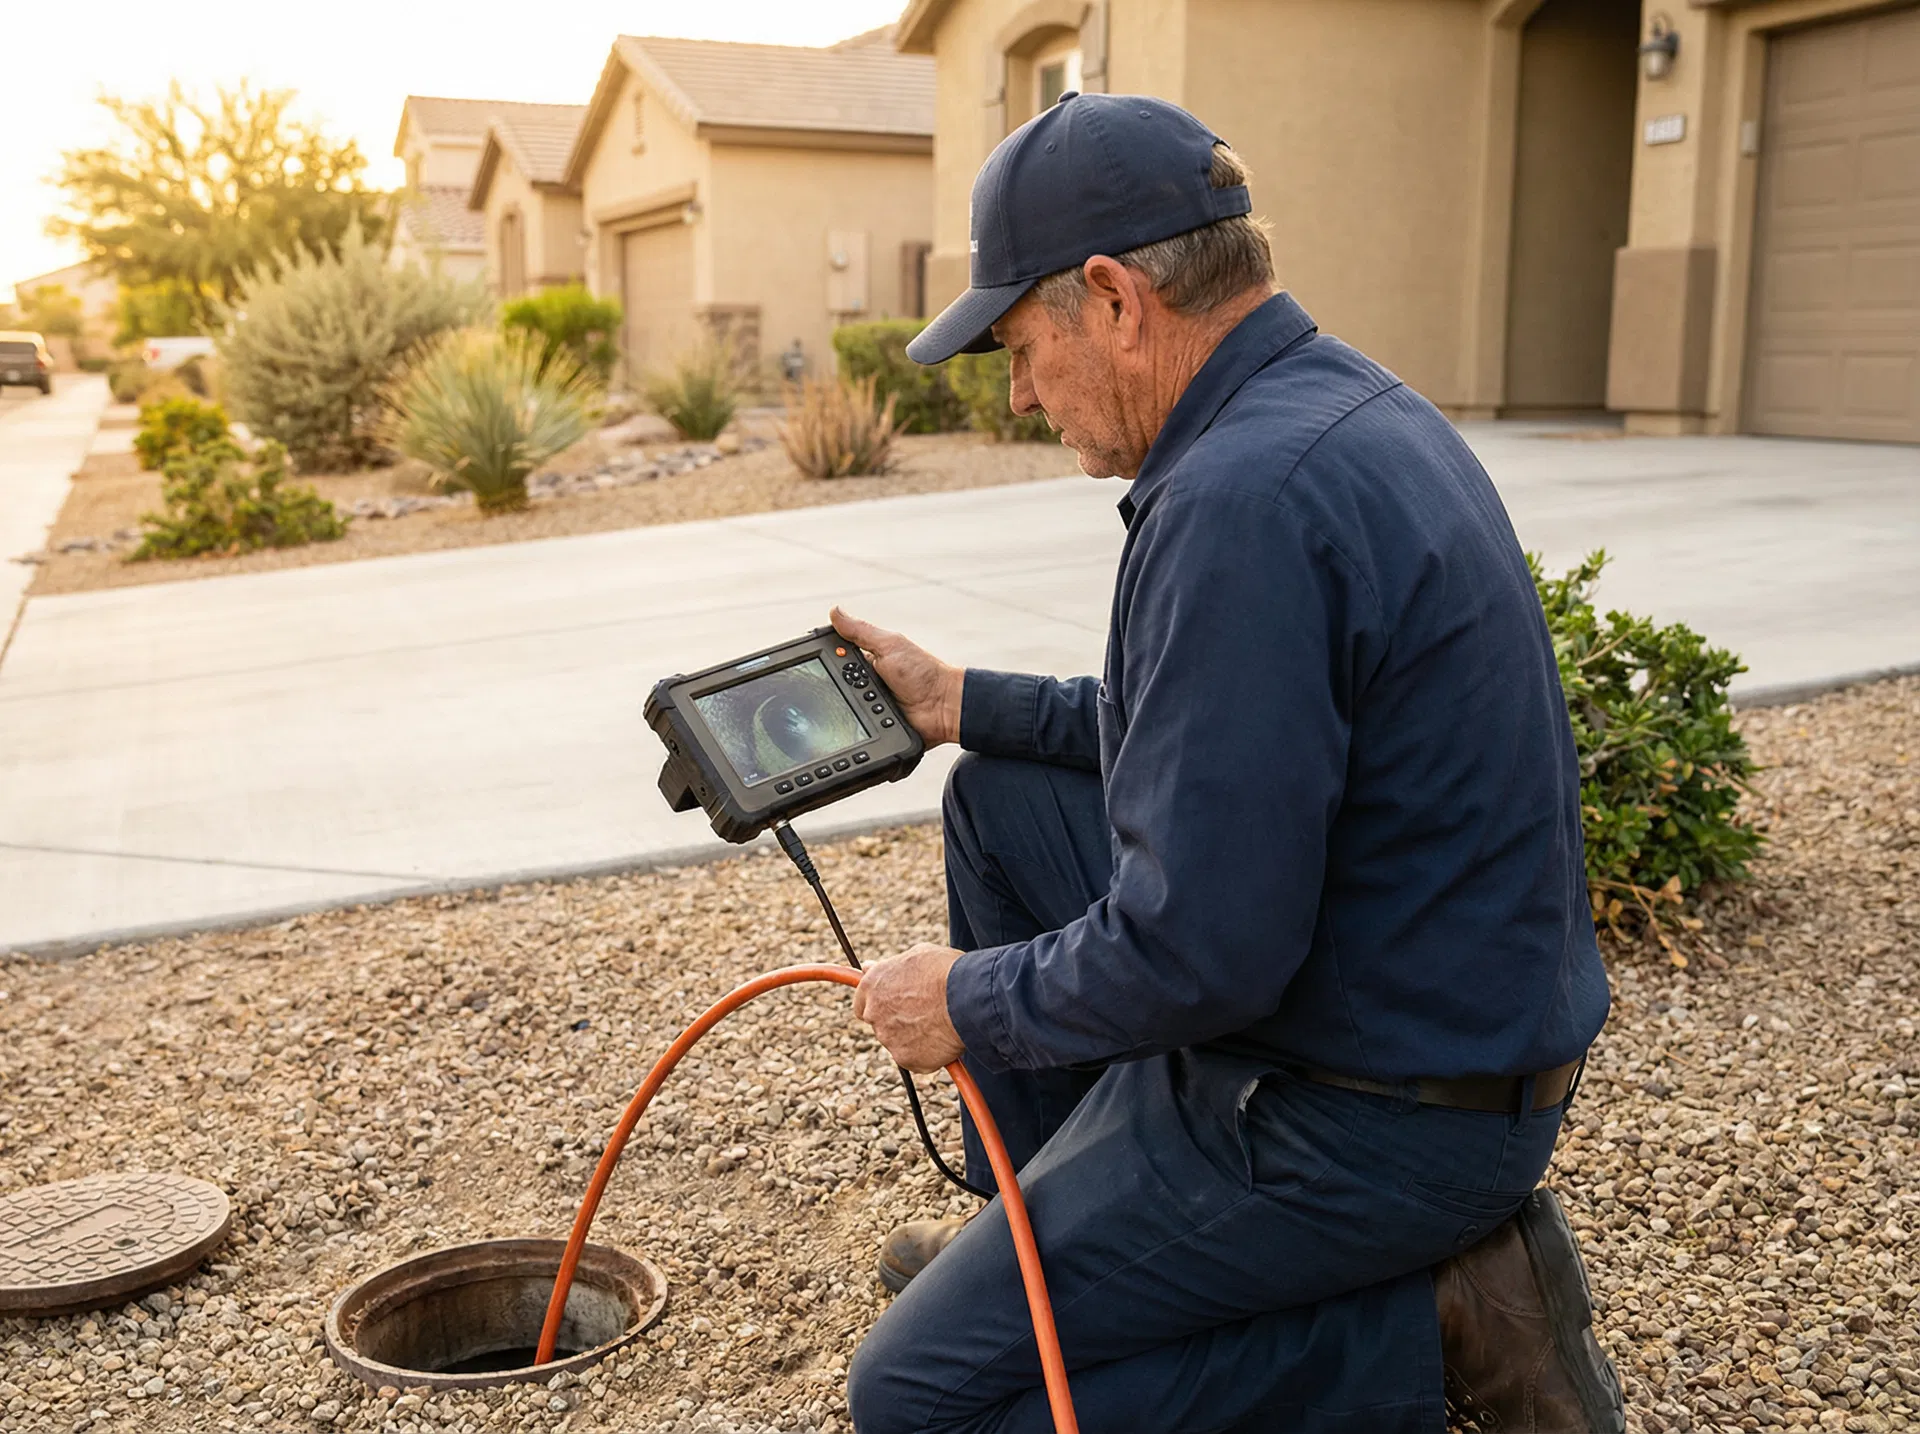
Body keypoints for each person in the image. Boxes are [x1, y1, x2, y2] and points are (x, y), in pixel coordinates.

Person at [830, 92, 1625, 1434]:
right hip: (1427, 1014)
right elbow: (1210, 741)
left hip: (1375, 1114)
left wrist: (969, 999)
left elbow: (1198, 954)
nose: (1019, 392)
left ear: (1114, 298)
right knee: (1005, 801)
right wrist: (960, 699)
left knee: (915, 1394)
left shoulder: (1239, 504)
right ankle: (1047, 1247)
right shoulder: (1328, 408)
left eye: (1021, 347)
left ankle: (1423, 1324)